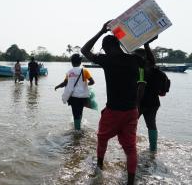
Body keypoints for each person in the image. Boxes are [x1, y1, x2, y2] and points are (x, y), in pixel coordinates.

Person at [81, 21, 146, 185]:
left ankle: (100, 168)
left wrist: (101, 31)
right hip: (132, 111)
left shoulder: (107, 60)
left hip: (113, 111)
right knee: (131, 149)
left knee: (102, 139)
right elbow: (148, 63)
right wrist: (145, 44)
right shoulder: (134, 60)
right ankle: (130, 182)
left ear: (107, 48)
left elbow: (84, 50)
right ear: (118, 44)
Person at [55, 54, 95, 130]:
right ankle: (78, 126)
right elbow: (92, 82)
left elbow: (65, 83)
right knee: (80, 111)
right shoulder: (85, 71)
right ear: (80, 62)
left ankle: (77, 130)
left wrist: (57, 86)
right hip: (83, 96)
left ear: (72, 62)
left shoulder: (69, 72)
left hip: (73, 97)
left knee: (75, 112)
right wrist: (85, 85)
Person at [134, 36, 160, 152]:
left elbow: (140, 87)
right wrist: (147, 45)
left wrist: (137, 104)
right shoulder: (153, 68)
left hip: (140, 102)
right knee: (151, 125)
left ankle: (131, 146)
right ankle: (153, 149)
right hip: (154, 102)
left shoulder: (139, 69)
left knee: (132, 124)